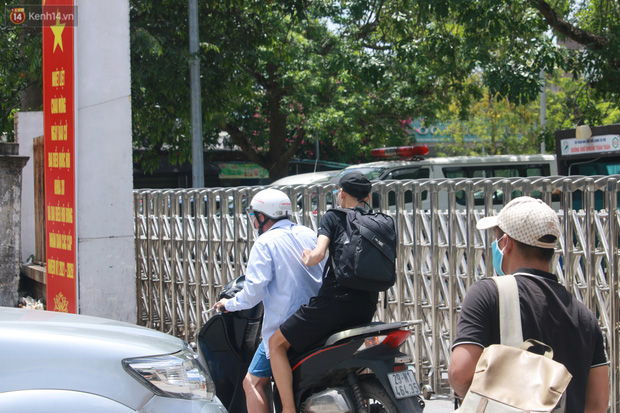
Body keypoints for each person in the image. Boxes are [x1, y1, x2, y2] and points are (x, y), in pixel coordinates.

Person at [448, 196, 609, 413]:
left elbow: (460, 374)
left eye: (496, 239)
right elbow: (598, 403)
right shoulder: (585, 316)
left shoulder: (488, 293)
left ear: (506, 243)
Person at [269, 172, 381, 413]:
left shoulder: (334, 217)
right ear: (367, 196)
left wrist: (307, 257)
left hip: (334, 304)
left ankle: (288, 409)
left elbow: (318, 255)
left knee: (276, 344)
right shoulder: (378, 221)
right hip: (367, 305)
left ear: (341, 193)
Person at [212, 188, 324, 413]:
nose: (254, 221)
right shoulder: (308, 234)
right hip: (318, 318)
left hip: (285, 326)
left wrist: (229, 303)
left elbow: (253, 292)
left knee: (251, 382)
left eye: (254, 216)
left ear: (262, 217)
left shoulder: (265, 243)